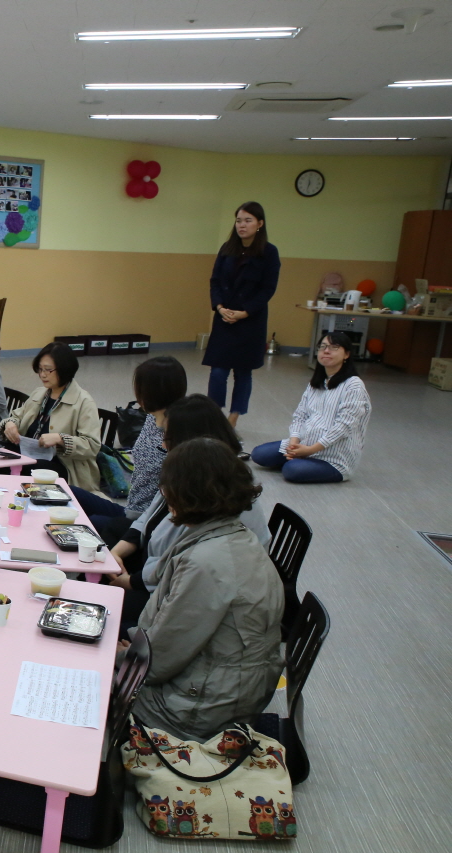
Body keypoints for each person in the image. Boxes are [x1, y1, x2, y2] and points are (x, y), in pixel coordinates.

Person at [121, 436, 284, 742]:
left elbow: (158, 663)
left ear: (184, 493)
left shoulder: (206, 563)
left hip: (196, 711)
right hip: (221, 687)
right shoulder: (236, 536)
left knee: (84, 683)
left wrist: (119, 658)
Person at [110, 394, 270, 639]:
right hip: (166, 583)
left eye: (167, 437)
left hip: (180, 594)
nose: (163, 444)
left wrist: (131, 648)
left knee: (104, 619)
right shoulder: (194, 473)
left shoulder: (212, 495)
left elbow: (173, 632)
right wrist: (118, 557)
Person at [71, 356, 188, 541]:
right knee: (69, 493)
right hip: (132, 509)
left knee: (89, 525)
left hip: (148, 520)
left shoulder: (178, 430)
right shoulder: (151, 417)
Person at [251, 329, 371, 483]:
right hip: (305, 444)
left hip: (334, 457)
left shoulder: (353, 385)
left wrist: (311, 450)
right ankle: (301, 460)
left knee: (291, 470)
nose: (326, 351)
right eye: (323, 346)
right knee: (259, 454)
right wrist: (294, 442)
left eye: (334, 347)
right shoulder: (317, 382)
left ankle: (303, 463)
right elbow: (300, 415)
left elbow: (344, 427)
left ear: (346, 354)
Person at [203, 201, 280, 430]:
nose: (242, 225)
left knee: (243, 372)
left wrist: (244, 312)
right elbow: (215, 281)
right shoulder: (227, 248)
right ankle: (214, 416)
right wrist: (219, 307)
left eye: (248, 220)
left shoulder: (269, 252)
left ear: (260, 224)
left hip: (250, 321)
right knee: (218, 372)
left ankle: (233, 419)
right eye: (238, 220)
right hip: (224, 317)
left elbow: (268, 289)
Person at [0, 342, 101, 490]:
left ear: (65, 369)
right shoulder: (40, 393)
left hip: (63, 464)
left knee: (24, 466)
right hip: (30, 453)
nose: (42, 375)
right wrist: (10, 424)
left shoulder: (83, 402)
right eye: (40, 369)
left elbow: (92, 445)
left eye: (48, 370)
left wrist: (61, 439)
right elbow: (17, 417)